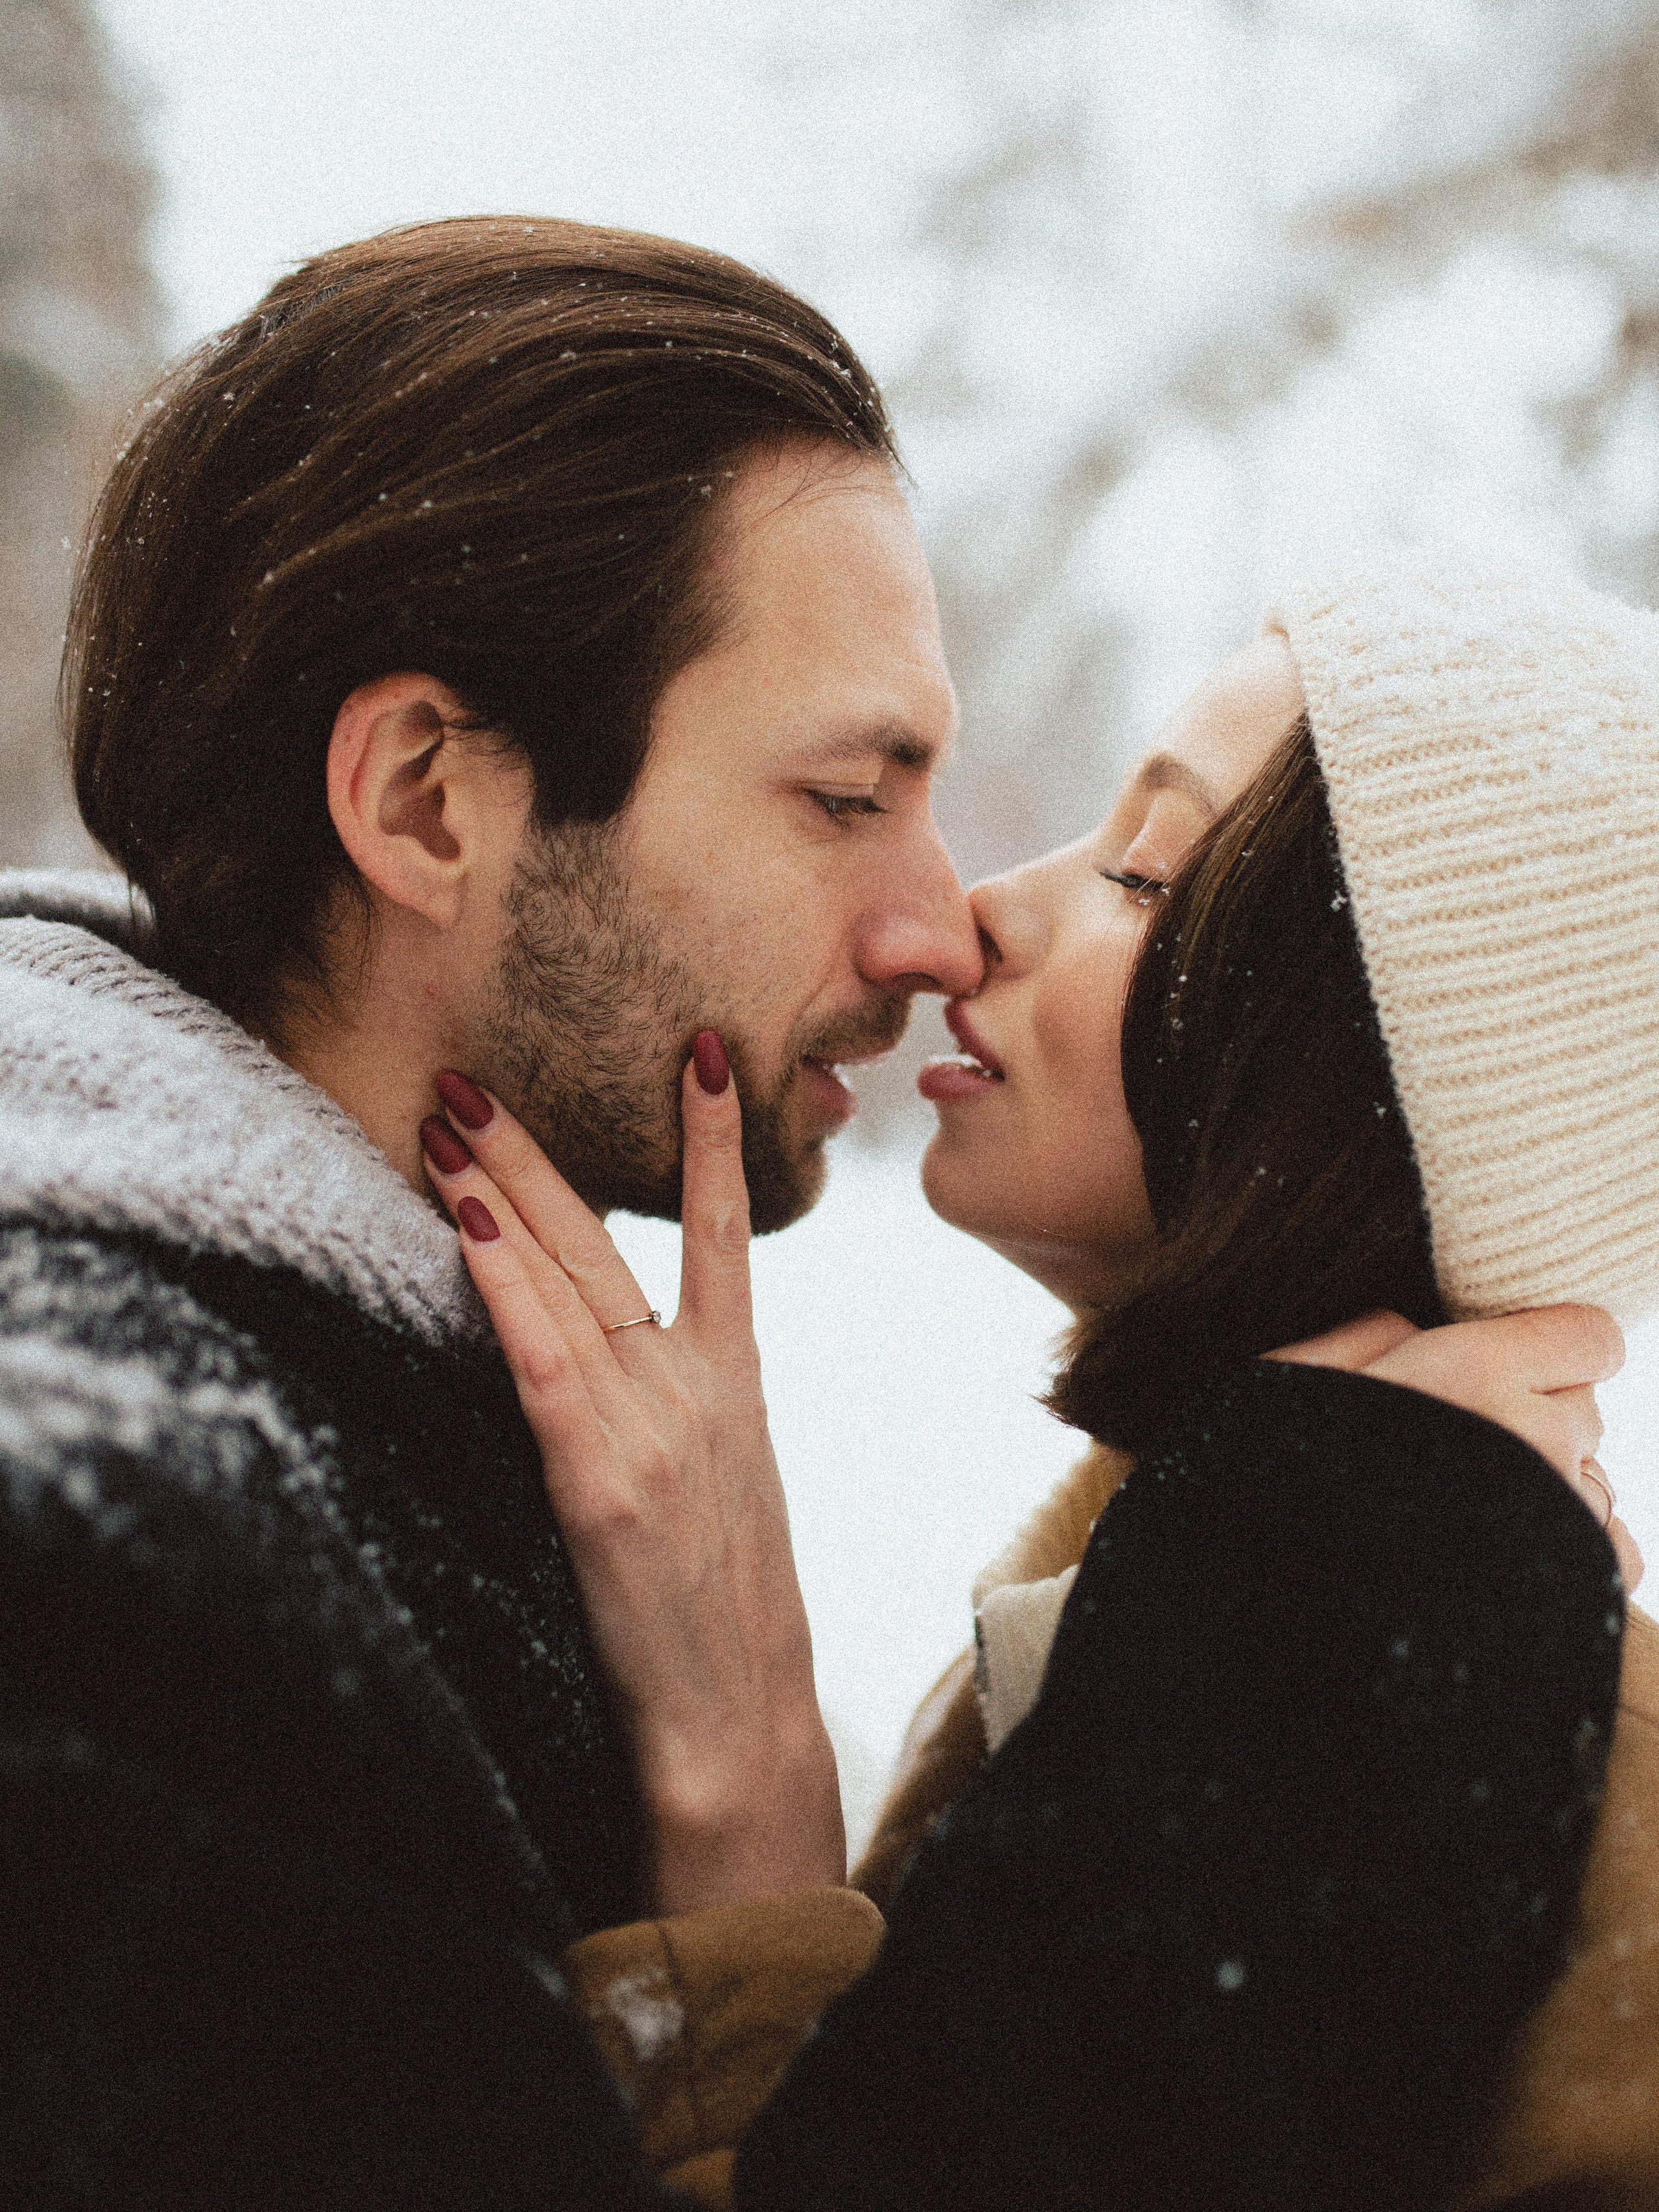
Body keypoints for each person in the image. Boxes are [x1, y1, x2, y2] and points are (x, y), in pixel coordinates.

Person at [0, 200, 1616, 2202]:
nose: (943, 919)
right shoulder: (104, 1578)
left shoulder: (381, 1444)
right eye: (849, 795)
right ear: (427, 798)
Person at [430, 559, 1659, 2209]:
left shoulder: (1597, 1840)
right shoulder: (1135, 1632)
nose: (979, 911)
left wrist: (745, 1808)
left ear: (1358, 1076)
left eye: (1142, 875)